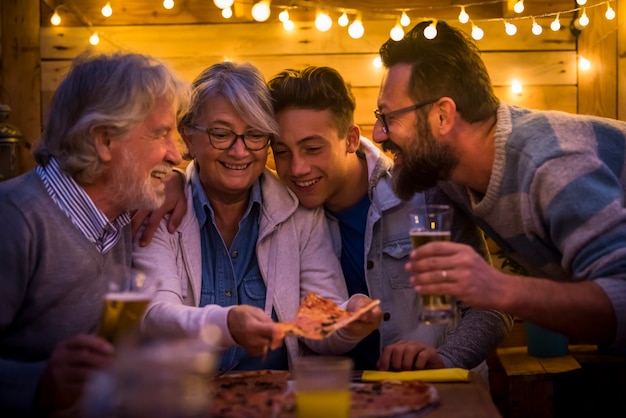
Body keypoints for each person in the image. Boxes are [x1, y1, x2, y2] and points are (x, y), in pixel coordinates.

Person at [373, 19, 626, 352]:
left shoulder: (550, 165)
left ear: (442, 116)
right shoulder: (450, 174)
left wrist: (500, 288)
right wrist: (445, 359)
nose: (378, 134)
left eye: (388, 117)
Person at [132, 61, 382, 372]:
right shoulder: (160, 206)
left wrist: (348, 319)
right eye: (221, 134)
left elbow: (317, 319)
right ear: (189, 137)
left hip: (274, 403)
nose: (240, 152)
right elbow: (152, 315)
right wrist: (227, 324)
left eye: (254, 135)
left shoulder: (298, 210)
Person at [266, 66, 512, 375]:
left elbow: (492, 308)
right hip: (338, 399)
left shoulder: (426, 195)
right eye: (282, 152)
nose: (298, 168)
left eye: (313, 149)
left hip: (437, 396)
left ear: (351, 139)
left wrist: (444, 358)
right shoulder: (281, 216)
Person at [0, 52, 190, 416]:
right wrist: (38, 382)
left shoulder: (118, 216)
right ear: (104, 141)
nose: (175, 154)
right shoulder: (15, 221)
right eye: (161, 133)